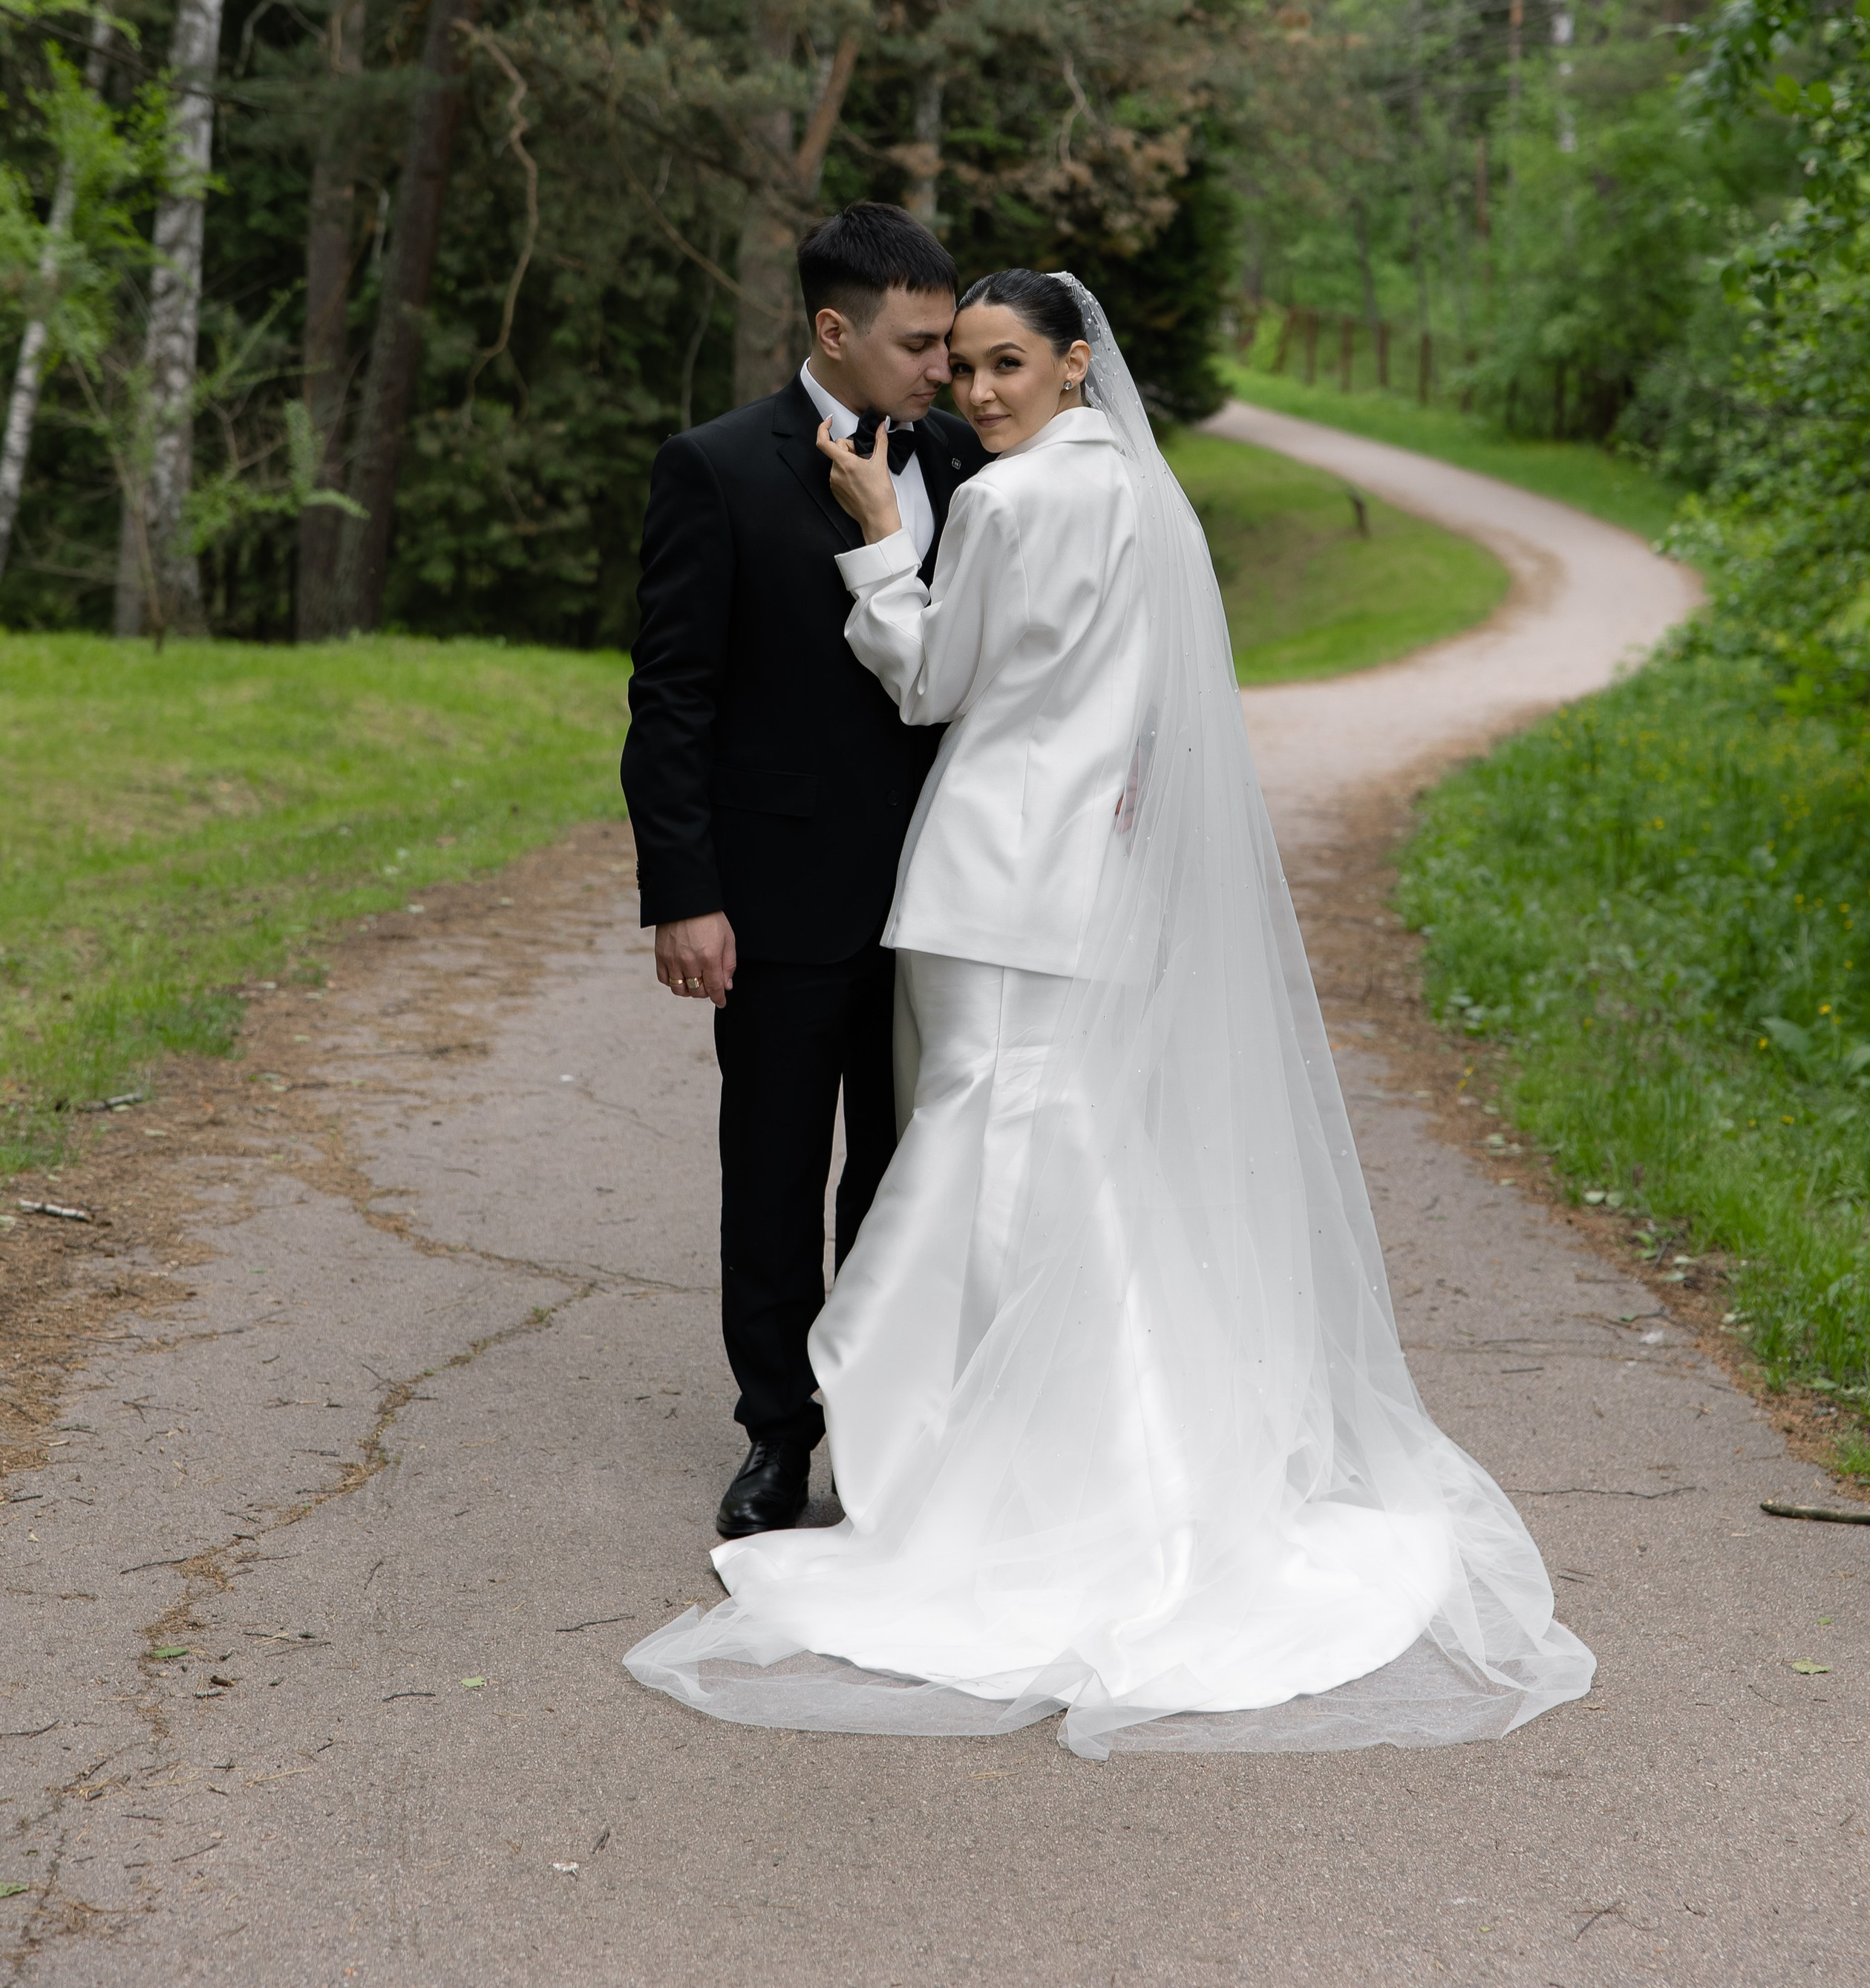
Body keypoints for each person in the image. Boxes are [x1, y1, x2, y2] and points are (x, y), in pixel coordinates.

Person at [625, 269, 1595, 1757]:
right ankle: (1123, 1451)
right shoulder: (1146, 497)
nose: (979, 395)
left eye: (1006, 365)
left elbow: (931, 682)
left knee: (983, 1160)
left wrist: (882, 552)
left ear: (1074, 364)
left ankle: (1008, 1474)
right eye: (962, 372)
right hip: (1088, 883)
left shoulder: (1008, 505)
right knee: (1056, 1159)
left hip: (985, 880)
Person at [621, 201, 984, 1543]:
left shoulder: (962, 455)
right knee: (776, 1172)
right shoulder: (712, 467)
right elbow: (672, 699)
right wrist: (685, 889)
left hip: (950, 893)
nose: (943, 371)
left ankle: (891, 1429)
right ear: (833, 332)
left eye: (949, 344)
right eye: (918, 345)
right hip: (776, 895)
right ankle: (778, 1433)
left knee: (907, 1175)